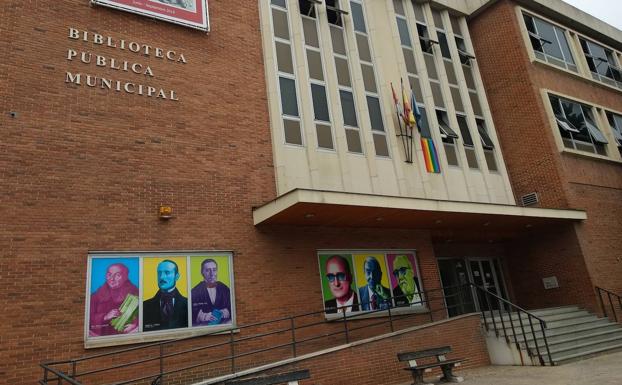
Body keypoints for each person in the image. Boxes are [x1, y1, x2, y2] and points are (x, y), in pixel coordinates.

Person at [89, 263, 139, 336]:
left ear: (125, 277)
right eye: (109, 275)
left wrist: (136, 325)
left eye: (117, 275)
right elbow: (88, 319)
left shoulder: (135, 294)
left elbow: (145, 314)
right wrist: (105, 316)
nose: (112, 279)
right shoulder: (96, 297)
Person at [143, 260, 188, 332]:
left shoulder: (187, 303)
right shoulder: (145, 306)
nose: (162, 277)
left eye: (167, 273)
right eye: (159, 273)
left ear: (176, 276)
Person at [191, 259, 232, 326]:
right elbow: (191, 311)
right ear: (202, 272)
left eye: (214, 270)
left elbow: (232, 305)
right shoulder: (195, 291)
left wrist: (226, 312)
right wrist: (203, 316)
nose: (212, 274)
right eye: (207, 270)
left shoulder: (224, 288)